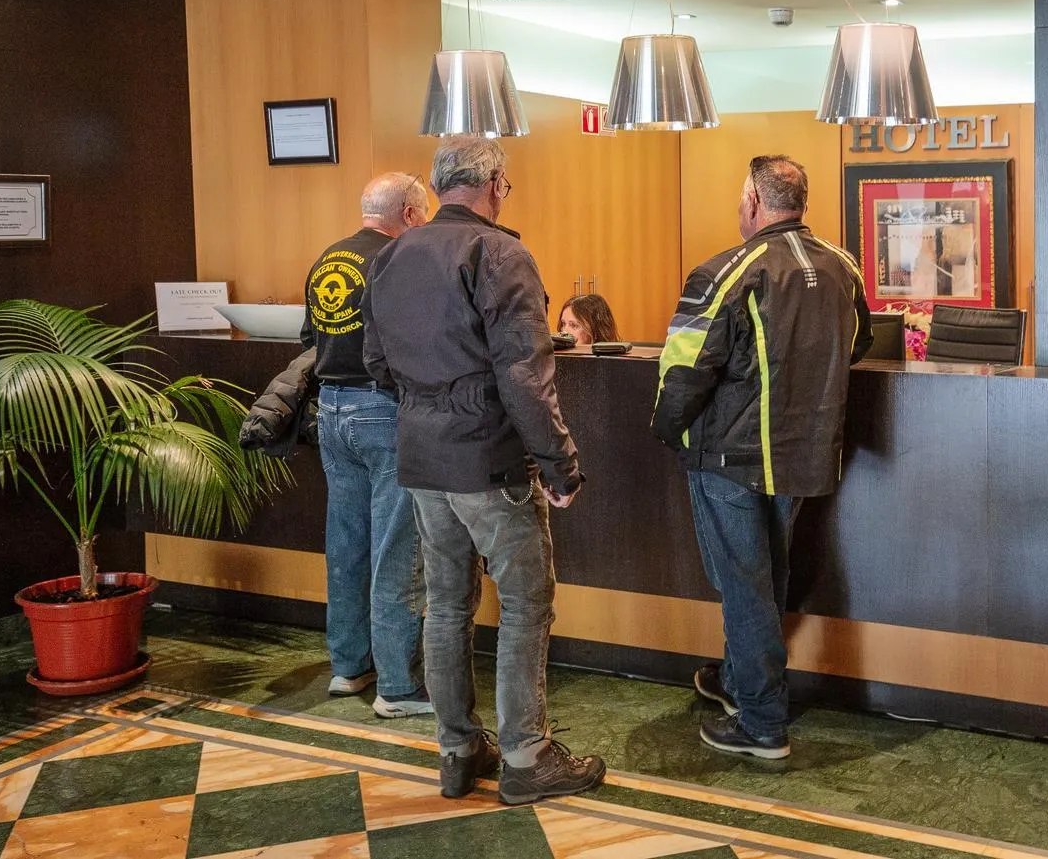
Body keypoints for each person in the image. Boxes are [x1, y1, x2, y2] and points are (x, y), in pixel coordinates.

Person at [361, 136, 605, 805]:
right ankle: (526, 755)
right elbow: (526, 377)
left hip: (421, 456)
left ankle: (457, 749)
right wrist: (561, 463)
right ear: (496, 181)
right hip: (487, 458)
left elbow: (376, 362)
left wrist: (427, 406)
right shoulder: (501, 253)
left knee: (446, 604)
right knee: (526, 602)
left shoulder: (391, 256)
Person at [651, 154, 873, 759]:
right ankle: (739, 681)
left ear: (753, 199)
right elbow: (860, 343)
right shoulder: (842, 267)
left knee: (744, 584)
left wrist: (668, 432)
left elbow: (684, 370)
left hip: (731, 455)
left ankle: (761, 722)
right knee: (766, 577)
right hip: (802, 453)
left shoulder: (724, 270)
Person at [301, 172, 433, 719]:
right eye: (422, 217)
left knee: (347, 541)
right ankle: (399, 687)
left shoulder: (327, 258)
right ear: (407, 212)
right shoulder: (396, 261)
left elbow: (310, 339)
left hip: (331, 410)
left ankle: (349, 667)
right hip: (381, 411)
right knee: (396, 548)